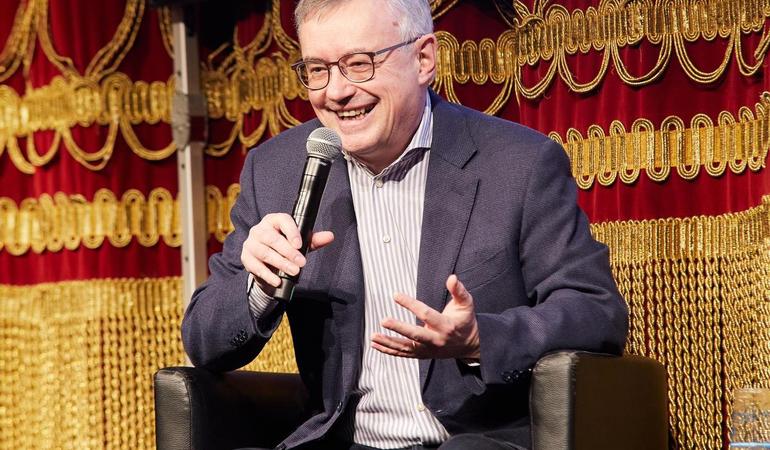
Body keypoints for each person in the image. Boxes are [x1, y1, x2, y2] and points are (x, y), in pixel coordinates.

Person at [181, 0, 629, 449]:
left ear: (424, 59)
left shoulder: (519, 165)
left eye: (359, 64)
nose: (334, 92)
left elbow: (594, 312)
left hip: (474, 438)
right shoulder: (277, 170)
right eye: (317, 70)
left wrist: (479, 339)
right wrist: (259, 288)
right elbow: (206, 341)